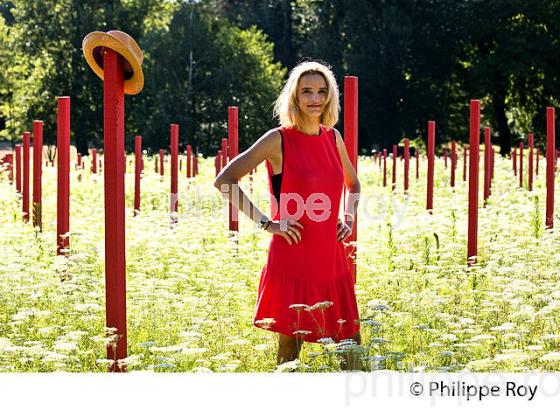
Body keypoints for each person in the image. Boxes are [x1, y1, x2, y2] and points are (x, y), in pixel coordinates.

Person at [213, 60, 363, 371]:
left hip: (330, 255)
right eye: (306, 91)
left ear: (330, 97)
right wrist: (268, 223)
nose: (315, 98)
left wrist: (346, 218)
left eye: (322, 91)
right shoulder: (278, 139)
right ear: (294, 96)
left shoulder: (333, 138)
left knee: (351, 343)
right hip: (292, 253)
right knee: (290, 349)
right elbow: (225, 180)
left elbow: (353, 183)